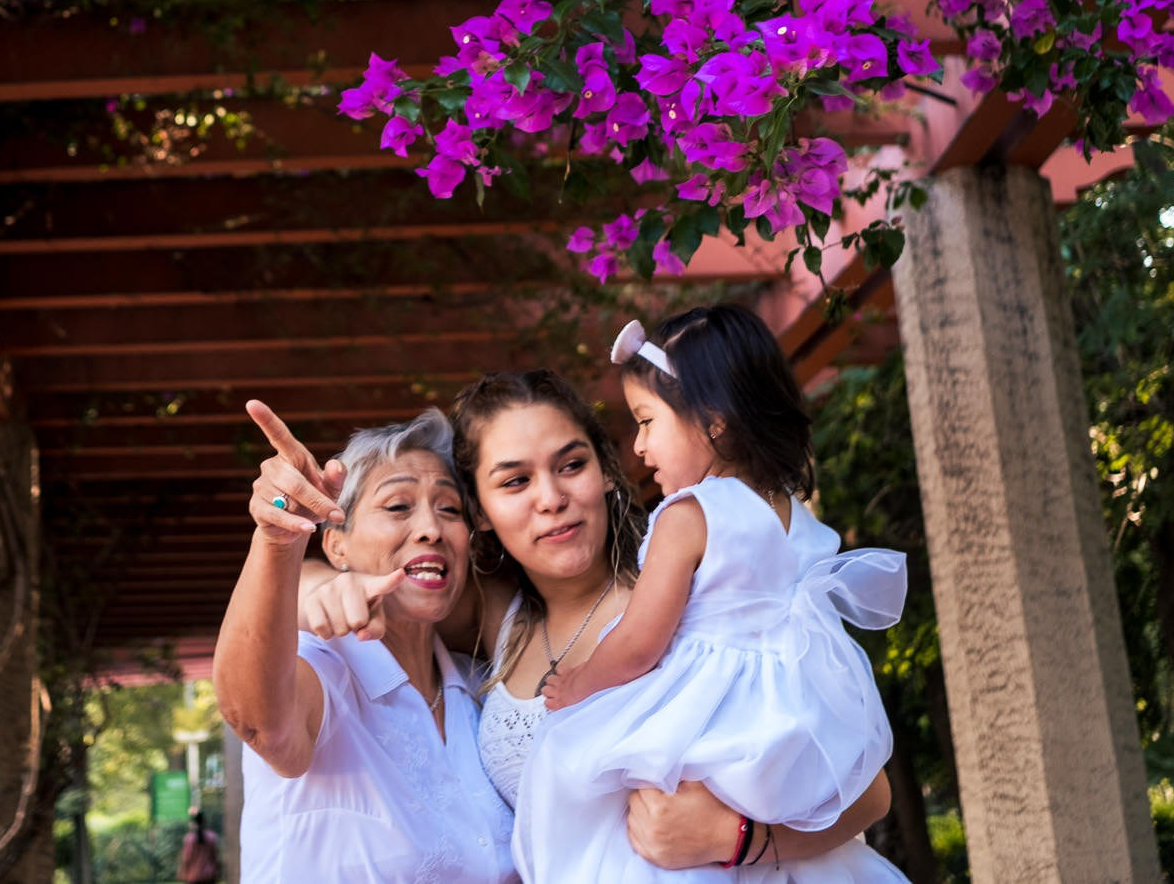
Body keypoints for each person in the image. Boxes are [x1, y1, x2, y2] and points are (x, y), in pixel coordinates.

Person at [297, 366, 896, 876]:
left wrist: (732, 838)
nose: (551, 497)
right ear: (479, 512)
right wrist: (326, 580)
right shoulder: (496, 618)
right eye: (514, 481)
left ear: (606, 471)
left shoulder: (703, 592)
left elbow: (870, 793)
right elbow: (377, 580)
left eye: (571, 465)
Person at [519, 306, 910, 882]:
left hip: (705, 714)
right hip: (782, 726)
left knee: (584, 781)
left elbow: (640, 644)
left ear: (714, 419)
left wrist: (579, 683)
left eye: (648, 421)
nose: (641, 447)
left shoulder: (691, 513)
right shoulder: (799, 522)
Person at [215, 406, 515, 884]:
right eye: (398, 506)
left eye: (450, 509)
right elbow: (259, 724)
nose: (431, 529)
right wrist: (276, 539)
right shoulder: (322, 668)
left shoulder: (485, 690)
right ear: (336, 547)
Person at [177, 806, 221, 884]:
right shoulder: (212, 837)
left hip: (193, 875)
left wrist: (182, 873)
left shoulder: (189, 839)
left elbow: (187, 858)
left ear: (193, 823)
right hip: (209, 875)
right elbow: (215, 857)